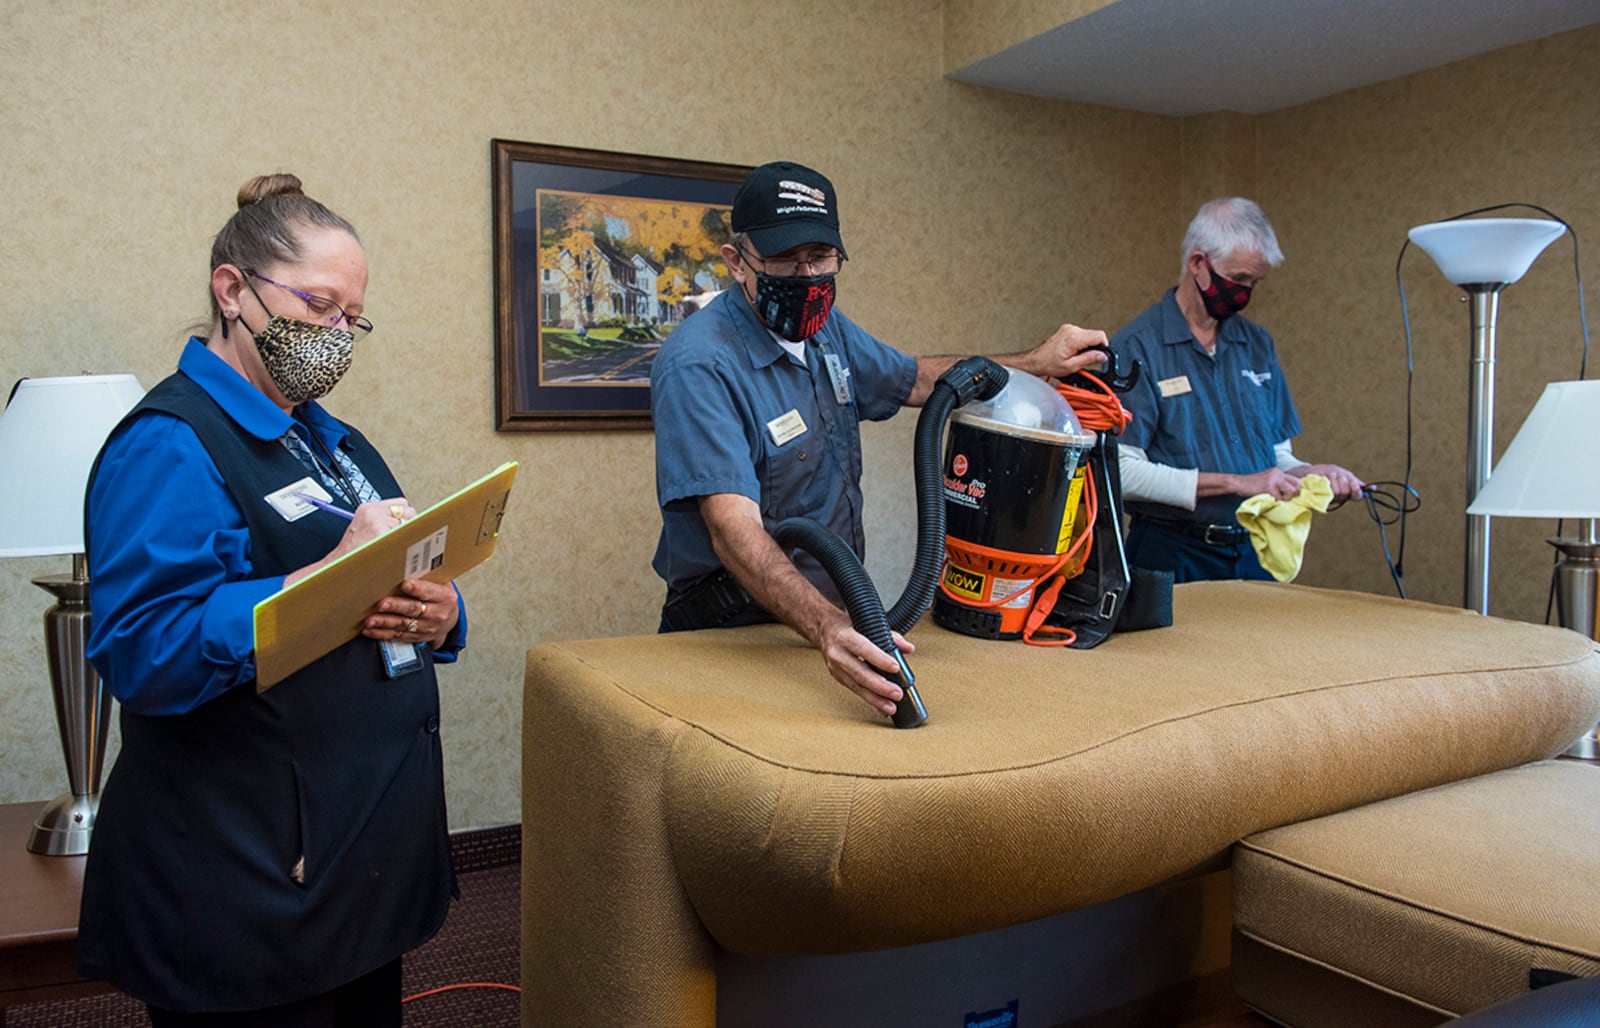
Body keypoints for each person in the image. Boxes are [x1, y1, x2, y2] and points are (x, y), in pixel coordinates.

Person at [77, 173, 465, 1027]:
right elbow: (146, 650)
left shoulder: (329, 437)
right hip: (245, 875)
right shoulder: (169, 445)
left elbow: (398, 566)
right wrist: (322, 577)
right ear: (233, 290)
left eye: (349, 319)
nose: (335, 335)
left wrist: (443, 616)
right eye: (319, 306)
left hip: (351, 860)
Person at [651, 160, 1107, 719]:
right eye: (783, 260)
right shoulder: (700, 363)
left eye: (820, 258)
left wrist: (1034, 364)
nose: (806, 275)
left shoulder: (827, 333)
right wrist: (828, 627)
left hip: (824, 624)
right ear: (736, 262)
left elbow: (917, 379)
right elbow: (732, 531)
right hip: (733, 632)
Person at [1111, 197, 1364, 583]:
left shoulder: (1257, 344)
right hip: (1170, 553)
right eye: (1239, 279)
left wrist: (1314, 474)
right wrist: (1236, 483)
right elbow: (1121, 470)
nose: (1246, 292)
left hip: (1254, 549)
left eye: (1255, 282)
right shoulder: (1135, 347)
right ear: (1198, 264)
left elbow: (1274, 458)